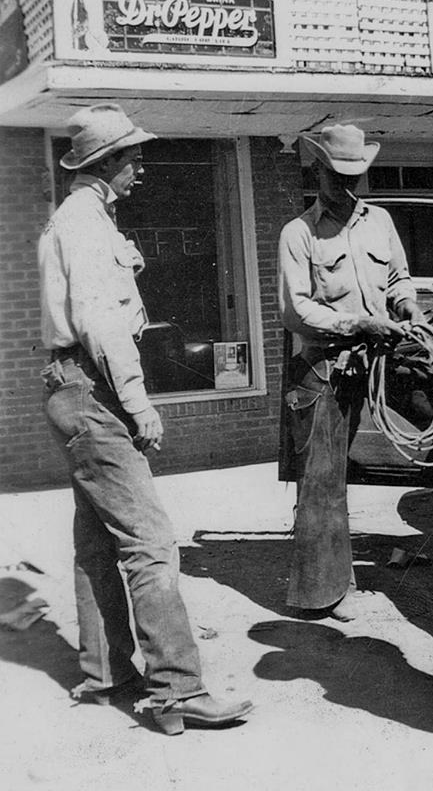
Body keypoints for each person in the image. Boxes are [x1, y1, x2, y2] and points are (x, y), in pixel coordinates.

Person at [38, 103, 253, 735]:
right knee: (151, 544)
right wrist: (138, 404)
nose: (140, 169)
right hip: (95, 387)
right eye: (133, 158)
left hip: (72, 386)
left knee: (99, 540)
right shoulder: (85, 224)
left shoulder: (82, 218)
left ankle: (108, 672)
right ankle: (176, 690)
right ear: (105, 165)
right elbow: (103, 325)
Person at [278, 124, 423, 621]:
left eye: (355, 175)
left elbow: (399, 278)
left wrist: (406, 306)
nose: (347, 185)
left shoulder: (379, 221)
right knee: (320, 483)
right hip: (320, 370)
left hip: (366, 366)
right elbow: (295, 310)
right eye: (337, 175)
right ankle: (321, 594)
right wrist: (356, 322)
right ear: (316, 171)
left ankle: (340, 580)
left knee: (338, 476)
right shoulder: (298, 232)